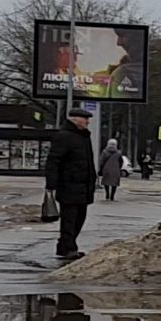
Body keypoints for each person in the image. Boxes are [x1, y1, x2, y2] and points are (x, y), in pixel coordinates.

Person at [45, 108, 98, 260]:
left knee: (79, 218)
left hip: (83, 187)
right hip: (69, 185)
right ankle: (69, 248)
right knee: (69, 220)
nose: (88, 122)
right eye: (85, 119)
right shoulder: (64, 137)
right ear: (75, 120)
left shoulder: (83, 137)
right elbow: (53, 161)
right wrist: (51, 184)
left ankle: (65, 246)